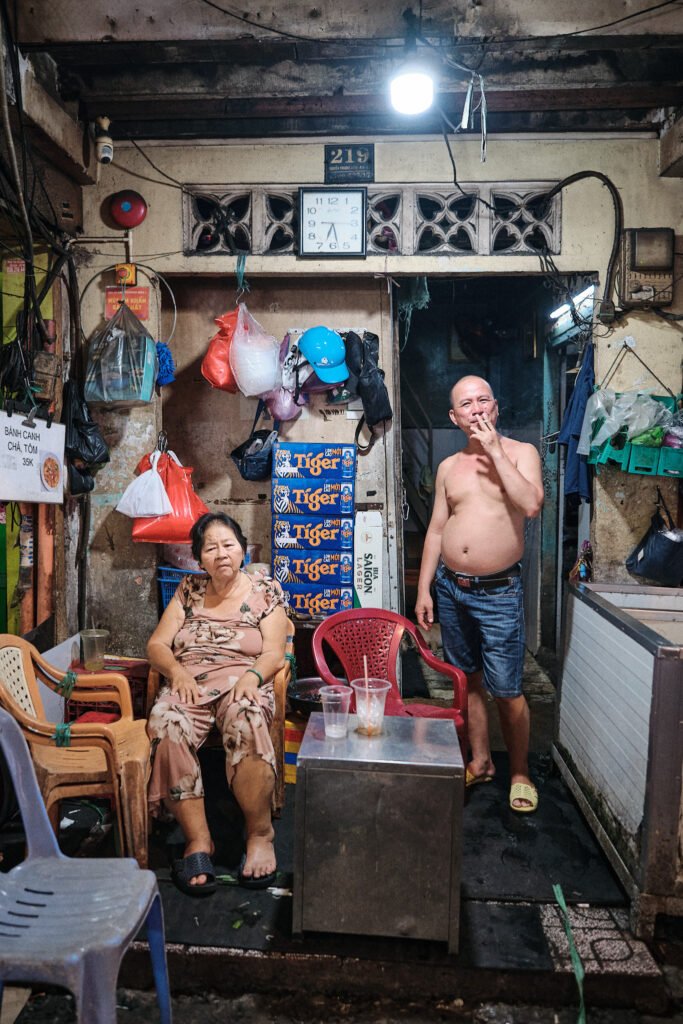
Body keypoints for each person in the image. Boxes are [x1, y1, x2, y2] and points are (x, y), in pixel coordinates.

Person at [415, 376, 544, 813]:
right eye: (466, 404)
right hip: (452, 589)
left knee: (506, 689)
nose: (476, 409)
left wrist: (494, 451)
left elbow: (530, 504)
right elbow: (436, 530)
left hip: (499, 593)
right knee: (466, 678)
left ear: (496, 407)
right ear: (454, 417)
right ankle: (481, 760)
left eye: (482, 400)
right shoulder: (448, 466)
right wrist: (424, 589)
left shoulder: (522, 453)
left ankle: (521, 772)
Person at [146, 512, 289, 895]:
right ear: (199, 558)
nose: (221, 553)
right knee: (166, 722)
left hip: (243, 680)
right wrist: (176, 672)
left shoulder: (265, 591)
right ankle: (198, 839)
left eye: (228, 544)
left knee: (247, 720)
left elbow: (274, 652)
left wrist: (252, 678)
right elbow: (157, 645)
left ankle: (259, 834)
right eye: (210, 548)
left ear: (242, 549)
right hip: (189, 683)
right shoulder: (188, 590)